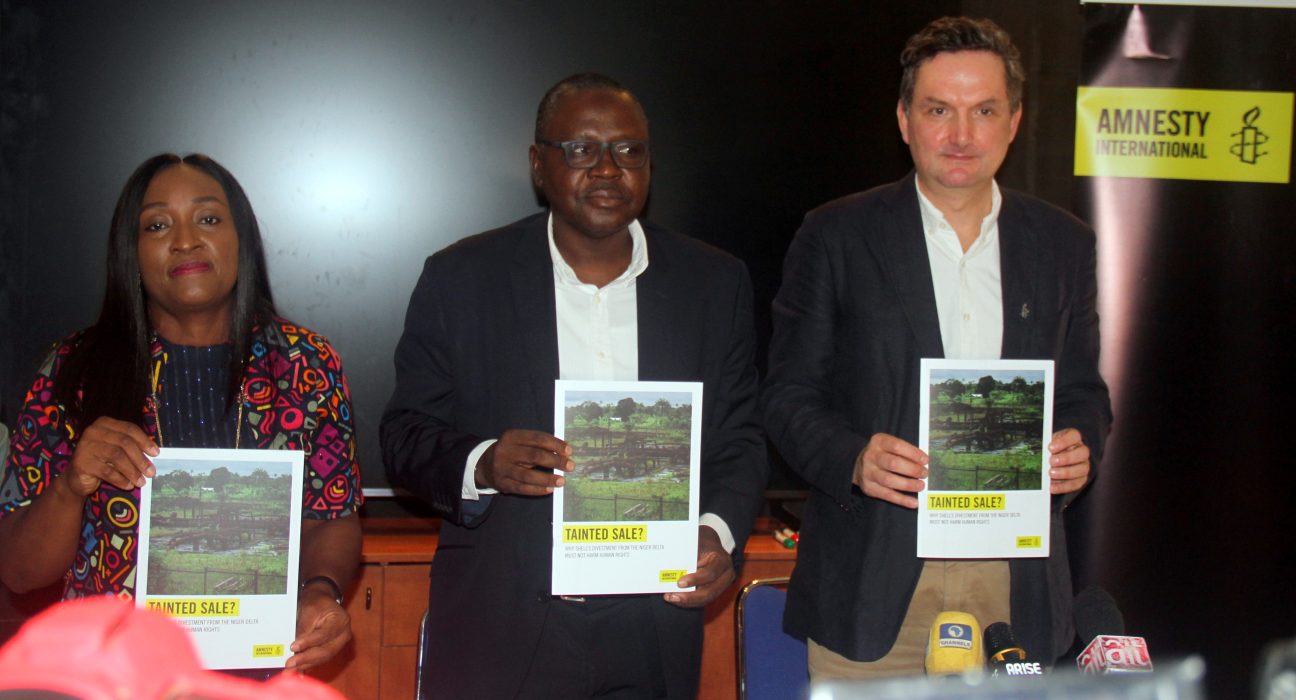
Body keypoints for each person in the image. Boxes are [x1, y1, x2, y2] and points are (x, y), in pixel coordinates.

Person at [381, 73, 767, 699]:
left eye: (629, 150)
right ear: (539, 165)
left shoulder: (714, 283)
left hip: (653, 624)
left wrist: (717, 533)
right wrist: (482, 463)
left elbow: (739, 440)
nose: (609, 169)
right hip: (501, 626)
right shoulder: (462, 277)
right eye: (582, 150)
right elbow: (403, 435)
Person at [762, 17, 1112, 678]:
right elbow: (786, 393)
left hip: (1016, 578)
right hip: (873, 581)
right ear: (903, 119)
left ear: (1014, 120)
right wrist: (852, 458)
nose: (961, 135)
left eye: (983, 110)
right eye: (938, 110)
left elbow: (1083, 390)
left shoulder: (1062, 244)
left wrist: (1077, 444)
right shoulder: (836, 236)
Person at [0, 153, 363, 672]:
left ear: (243, 240)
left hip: (256, 673)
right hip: (111, 677)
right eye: (157, 225)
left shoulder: (306, 365)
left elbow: (333, 518)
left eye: (209, 219)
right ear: (132, 250)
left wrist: (320, 591)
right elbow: (17, 572)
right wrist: (71, 485)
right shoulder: (71, 372)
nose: (186, 240)